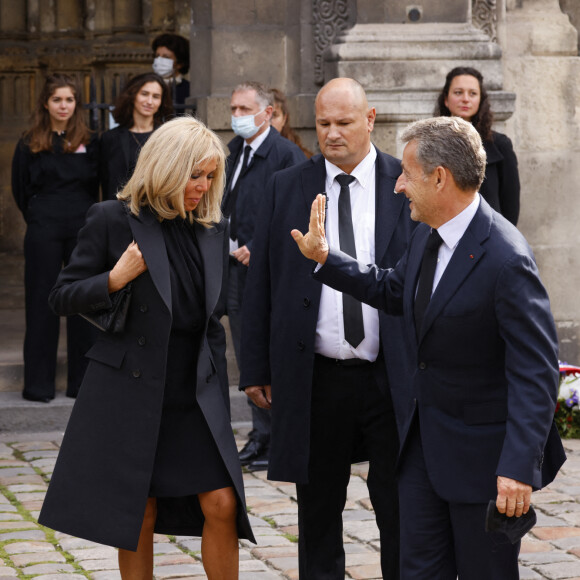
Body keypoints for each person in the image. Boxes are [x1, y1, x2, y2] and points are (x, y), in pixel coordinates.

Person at [292, 116, 566, 579]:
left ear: (440, 178)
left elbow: (536, 373)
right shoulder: (427, 233)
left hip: (484, 466)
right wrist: (325, 259)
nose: (397, 186)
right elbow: (395, 289)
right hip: (420, 452)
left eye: (406, 174)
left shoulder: (507, 258)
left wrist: (518, 468)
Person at [38, 117, 255, 580]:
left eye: (211, 175)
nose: (203, 185)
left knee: (222, 503)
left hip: (193, 391)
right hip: (132, 389)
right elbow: (61, 296)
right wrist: (114, 279)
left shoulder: (211, 227)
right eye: (195, 174)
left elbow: (213, 320)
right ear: (166, 168)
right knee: (140, 510)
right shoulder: (112, 219)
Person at [240, 77, 417, 578]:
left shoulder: (404, 180)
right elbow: (263, 282)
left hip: (390, 374)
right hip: (315, 374)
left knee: (399, 504)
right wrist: (255, 365)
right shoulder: (287, 185)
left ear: (370, 119)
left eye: (344, 122)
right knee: (317, 509)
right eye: (323, 124)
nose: (332, 134)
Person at [223, 81, 306, 472]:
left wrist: (257, 245)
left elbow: (293, 213)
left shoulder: (286, 155)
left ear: (267, 113)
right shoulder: (233, 151)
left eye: (244, 109)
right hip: (233, 270)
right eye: (234, 109)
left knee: (271, 350)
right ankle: (260, 433)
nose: (236, 116)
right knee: (246, 349)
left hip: (268, 271)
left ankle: (277, 436)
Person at [11, 73, 99, 402]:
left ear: (77, 104)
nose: (63, 106)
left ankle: (83, 383)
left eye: (69, 100)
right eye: (57, 100)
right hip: (43, 229)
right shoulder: (29, 140)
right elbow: (20, 188)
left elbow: (98, 185)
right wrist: (39, 217)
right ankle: (38, 385)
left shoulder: (90, 139)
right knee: (41, 304)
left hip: (82, 229)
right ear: (46, 103)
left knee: (83, 304)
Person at [435, 66, 520, 225]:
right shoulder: (431, 143)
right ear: (446, 99)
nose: (465, 99)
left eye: (472, 93)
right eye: (458, 92)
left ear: (480, 99)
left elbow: (510, 204)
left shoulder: (500, 145)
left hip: (488, 236)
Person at [100, 72, 173, 201]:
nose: (149, 101)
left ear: (161, 102)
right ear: (133, 95)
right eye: (144, 94)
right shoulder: (110, 138)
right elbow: (104, 182)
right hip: (118, 211)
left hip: (155, 212)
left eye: (156, 96)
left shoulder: (167, 138)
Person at [270, 88, 314, 158]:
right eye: (265, 115)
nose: (269, 122)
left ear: (284, 119)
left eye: (274, 115)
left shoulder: (297, 154)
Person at [152, 33, 190, 107]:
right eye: (157, 56)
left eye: (166, 57)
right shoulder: (146, 86)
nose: (159, 60)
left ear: (180, 64)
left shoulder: (189, 91)